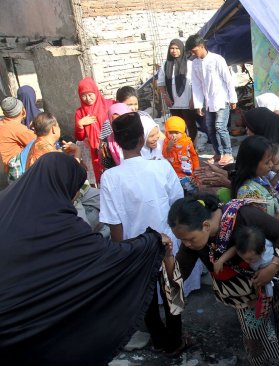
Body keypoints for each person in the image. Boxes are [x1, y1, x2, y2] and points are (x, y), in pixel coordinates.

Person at [0, 152, 172, 365]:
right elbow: (106, 256)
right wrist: (151, 242)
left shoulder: (6, 201)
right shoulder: (63, 225)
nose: (76, 196)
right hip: (18, 329)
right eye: (75, 189)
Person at [99, 112, 200, 357]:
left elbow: (114, 223)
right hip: (166, 244)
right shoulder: (160, 167)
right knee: (172, 292)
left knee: (145, 296)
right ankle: (174, 341)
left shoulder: (109, 177)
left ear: (118, 142)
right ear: (141, 138)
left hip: (134, 248)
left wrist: (120, 254)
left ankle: (157, 338)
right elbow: (178, 204)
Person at [167, 194, 279, 366]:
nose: (186, 244)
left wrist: (272, 267)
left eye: (189, 239)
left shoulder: (244, 215)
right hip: (247, 295)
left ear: (206, 225)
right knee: (257, 335)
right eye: (182, 241)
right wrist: (167, 256)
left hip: (278, 273)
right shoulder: (193, 243)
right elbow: (178, 274)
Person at [186, 34, 237, 166]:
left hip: (222, 99)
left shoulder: (217, 59)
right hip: (208, 102)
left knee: (220, 126)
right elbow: (196, 85)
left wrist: (233, 98)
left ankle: (228, 153)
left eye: (194, 50)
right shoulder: (195, 64)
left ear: (202, 46)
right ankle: (218, 153)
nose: (193, 53)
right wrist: (198, 104)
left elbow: (228, 79)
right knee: (210, 128)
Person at [231, 135, 279, 223]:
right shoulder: (249, 194)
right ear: (252, 164)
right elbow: (271, 226)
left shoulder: (261, 178)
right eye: (267, 162)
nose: (271, 165)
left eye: (271, 161)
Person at [214, 226, 279, 307]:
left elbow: (269, 270)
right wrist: (221, 260)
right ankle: (260, 298)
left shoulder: (266, 258)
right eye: (243, 258)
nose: (246, 261)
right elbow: (235, 249)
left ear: (262, 251)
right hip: (263, 265)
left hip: (276, 268)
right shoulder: (251, 246)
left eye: (250, 259)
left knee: (277, 282)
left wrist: (262, 278)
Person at [74, 77, 115, 184]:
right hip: (95, 151)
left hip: (112, 145)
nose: (87, 98)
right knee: (103, 178)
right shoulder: (80, 113)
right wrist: (80, 125)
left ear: (96, 92)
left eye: (90, 94)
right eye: (83, 95)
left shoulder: (109, 104)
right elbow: (80, 137)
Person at [158, 39, 197, 141]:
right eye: (172, 48)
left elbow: (195, 84)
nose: (174, 51)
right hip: (173, 102)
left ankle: (191, 147)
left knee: (190, 125)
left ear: (182, 49)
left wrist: (193, 99)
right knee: (178, 127)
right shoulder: (165, 65)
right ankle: (181, 148)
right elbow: (161, 83)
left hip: (187, 101)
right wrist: (165, 97)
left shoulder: (190, 64)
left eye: (177, 48)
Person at [163, 116, 200, 193]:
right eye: (170, 132)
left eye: (177, 133)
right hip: (174, 173)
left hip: (187, 171)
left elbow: (194, 156)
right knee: (177, 191)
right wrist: (168, 147)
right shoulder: (166, 142)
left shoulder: (187, 142)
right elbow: (164, 155)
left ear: (183, 132)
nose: (173, 136)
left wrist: (196, 169)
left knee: (191, 190)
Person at [0, 97, 35, 173]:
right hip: (17, 170)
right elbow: (40, 140)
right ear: (23, 111)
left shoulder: (3, 123)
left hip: (7, 167)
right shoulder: (17, 129)